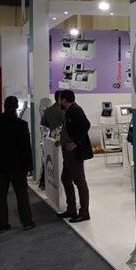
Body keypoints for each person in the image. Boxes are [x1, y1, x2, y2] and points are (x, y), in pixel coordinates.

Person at [0, 96, 35, 232]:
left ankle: (2, 224)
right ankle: (27, 222)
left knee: (0, 195)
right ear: (16, 106)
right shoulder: (21, 125)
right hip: (17, 166)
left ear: (4, 105)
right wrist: (29, 166)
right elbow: (25, 148)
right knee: (22, 194)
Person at [57, 90, 92, 223]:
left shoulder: (75, 110)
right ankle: (71, 209)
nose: (59, 102)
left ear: (64, 100)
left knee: (79, 181)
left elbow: (86, 125)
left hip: (74, 153)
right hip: (68, 151)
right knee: (65, 178)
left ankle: (84, 212)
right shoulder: (70, 111)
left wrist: (75, 142)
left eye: (60, 99)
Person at [39, 90, 65, 189]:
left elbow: (44, 124)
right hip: (62, 140)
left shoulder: (48, 110)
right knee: (61, 162)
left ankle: (43, 182)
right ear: (60, 98)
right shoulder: (64, 111)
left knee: (50, 161)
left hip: (51, 139)